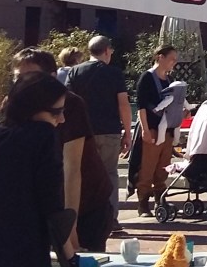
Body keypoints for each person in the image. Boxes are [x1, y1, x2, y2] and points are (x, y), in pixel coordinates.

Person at [0, 72, 71, 267]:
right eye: (56, 112)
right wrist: (69, 255)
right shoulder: (42, 136)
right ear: (32, 109)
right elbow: (51, 203)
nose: (62, 119)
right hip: (24, 253)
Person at [15, 48, 111, 256]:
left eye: (30, 77)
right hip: (46, 206)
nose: (22, 85)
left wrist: (70, 228)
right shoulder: (14, 106)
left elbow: (72, 169)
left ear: (51, 78)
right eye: (17, 78)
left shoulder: (70, 104)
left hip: (87, 203)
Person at [64, 36, 130, 231]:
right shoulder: (114, 73)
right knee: (110, 174)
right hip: (109, 130)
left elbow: (67, 101)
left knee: (81, 174)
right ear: (107, 51)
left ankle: (82, 218)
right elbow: (123, 104)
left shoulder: (75, 71)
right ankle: (110, 219)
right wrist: (128, 132)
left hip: (83, 132)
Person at [131, 45, 183, 211]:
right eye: (171, 59)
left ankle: (161, 199)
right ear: (160, 57)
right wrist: (145, 130)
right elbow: (141, 106)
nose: (173, 63)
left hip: (167, 129)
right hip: (152, 129)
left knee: (163, 167)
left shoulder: (169, 79)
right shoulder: (146, 78)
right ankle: (143, 203)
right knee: (148, 167)